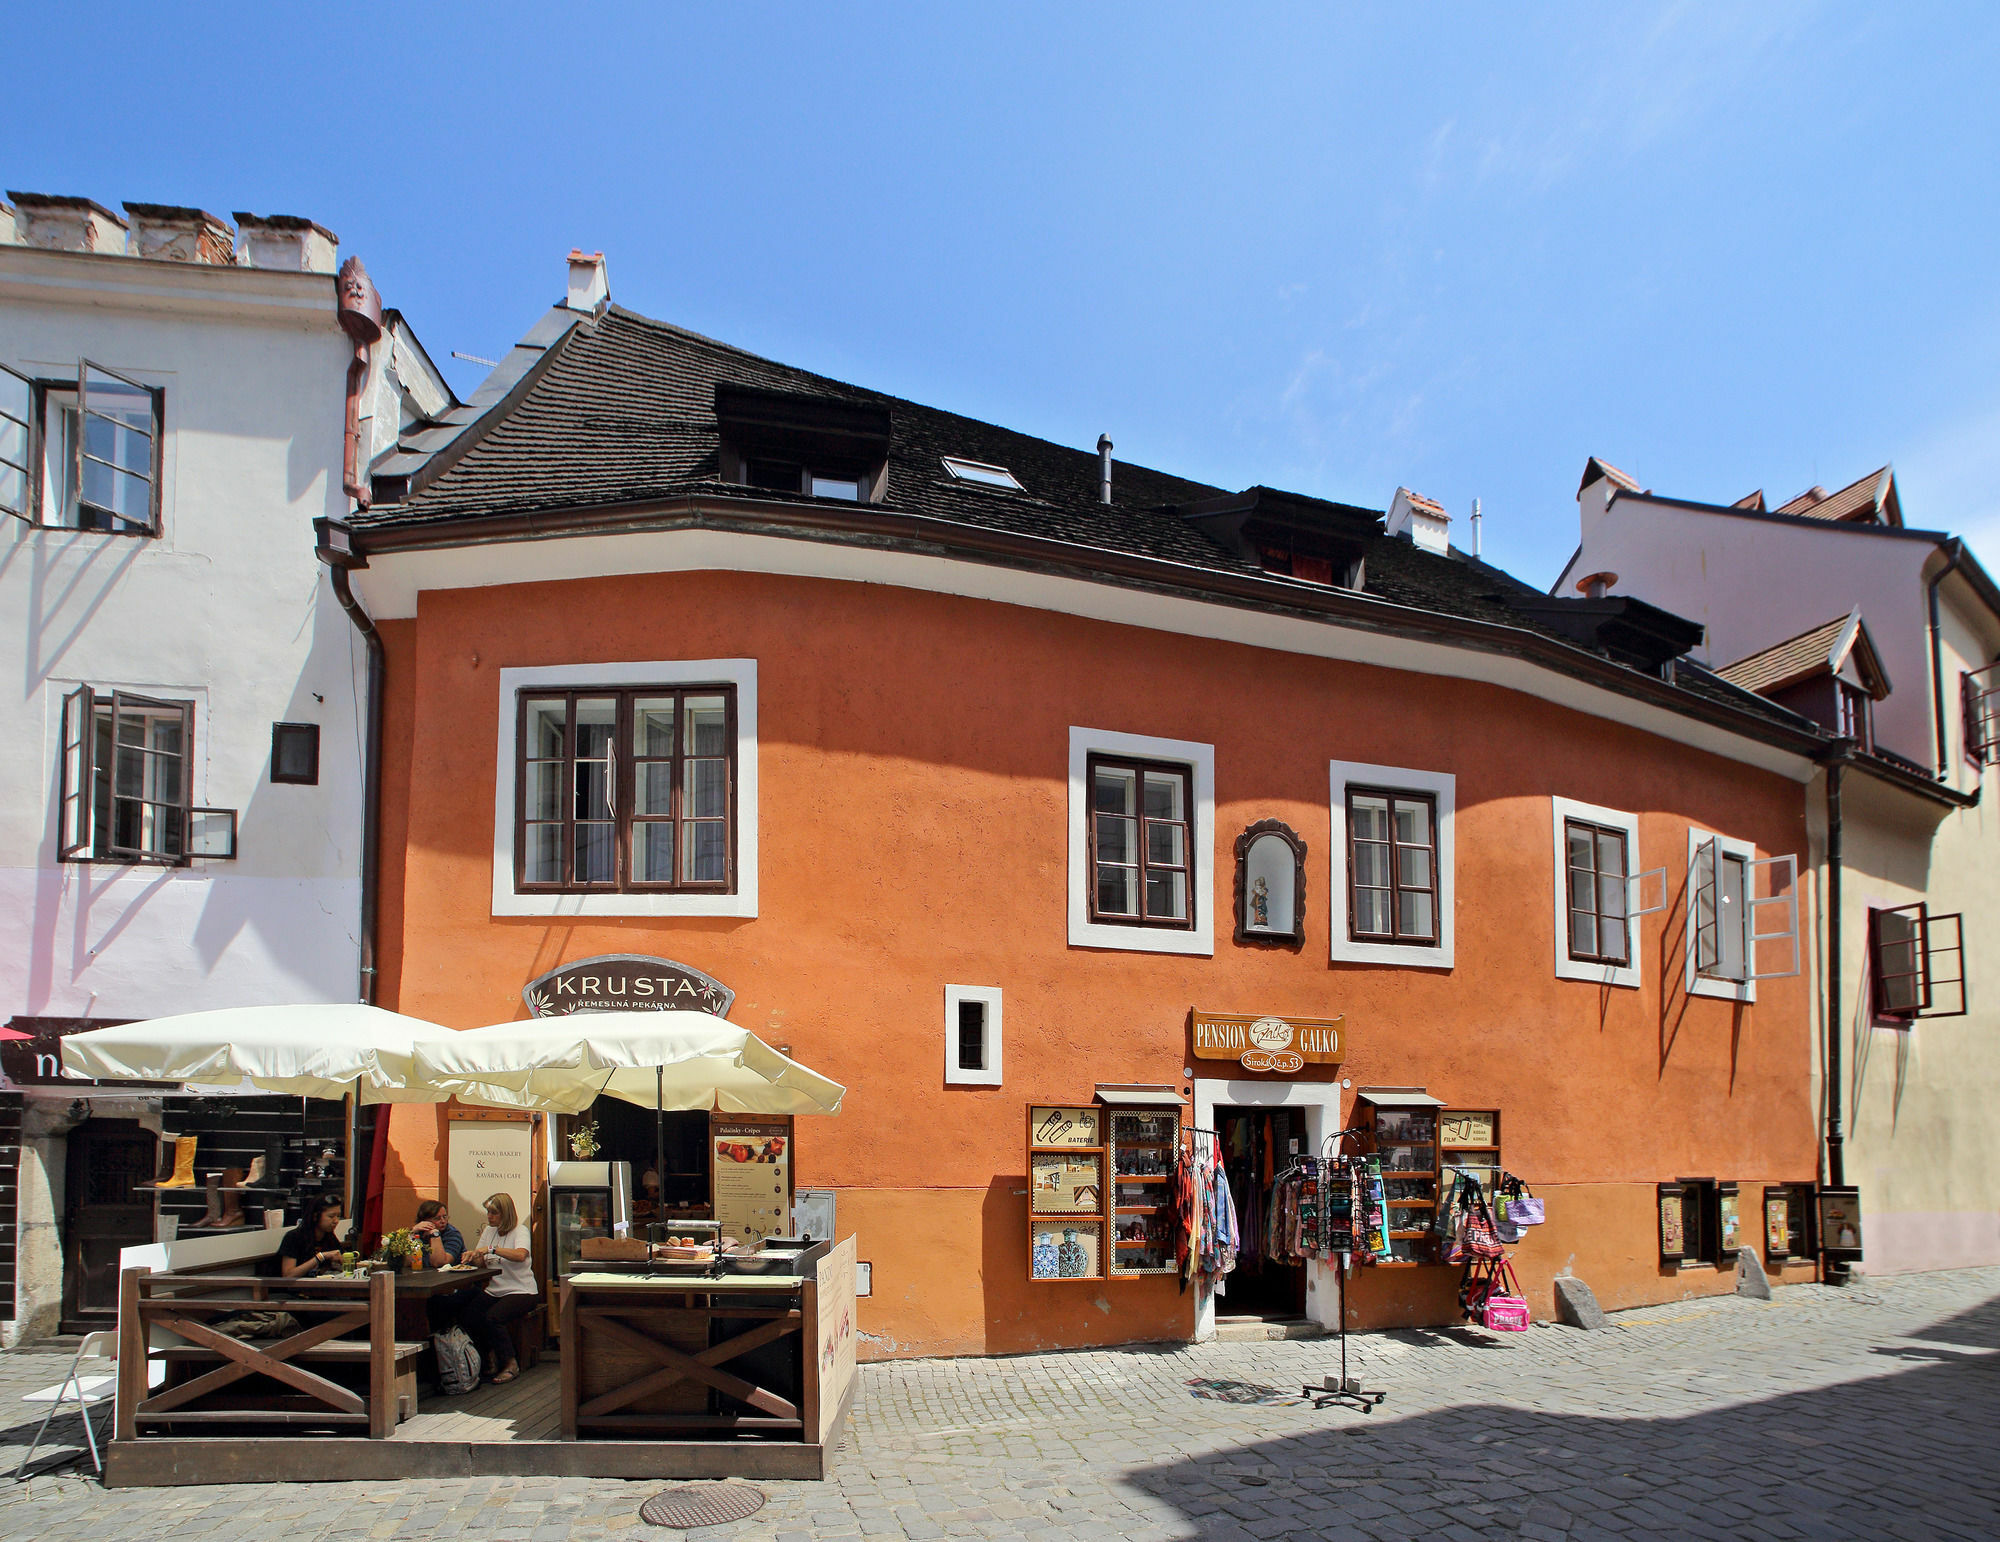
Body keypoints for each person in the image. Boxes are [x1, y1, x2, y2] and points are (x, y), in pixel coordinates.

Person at [457, 1192, 537, 1383]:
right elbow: (481, 1262)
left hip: (521, 1290)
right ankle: (488, 1356)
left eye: (494, 1213)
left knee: (494, 1317)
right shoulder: (489, 1231)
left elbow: (520, 1255)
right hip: (495, 1289)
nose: (489, 1217)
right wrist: (474, 1257)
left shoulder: (520, 1231)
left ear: (505, 1213)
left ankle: (510, 1363)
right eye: (488, 1212)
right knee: (469, 1315)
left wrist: (491, 1250)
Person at [278, 1194, 348, 1278]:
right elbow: (288, 1275)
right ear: (315, 1216)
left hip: (320, 1287)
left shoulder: (329, 1237)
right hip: (297, 1289)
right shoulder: (293, 1237)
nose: (336, 1221)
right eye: (331, 1216)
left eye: (338, 1216)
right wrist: (320, 1257)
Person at [412, 1199, 465, 1269]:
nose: (443, 1221)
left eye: (445, 1217)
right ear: (425, 1221)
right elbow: (405, 1261)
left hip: (452, 1277)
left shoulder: (452, 1234)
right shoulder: (419, 1232)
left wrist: (434, 1234)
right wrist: (412, 1233)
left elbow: (440, 1263)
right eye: (437, 1218)